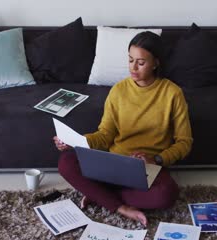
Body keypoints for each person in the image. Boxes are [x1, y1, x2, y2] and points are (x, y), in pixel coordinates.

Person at [54, 31, 193, 226]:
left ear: (156, 63)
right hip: (114, 163)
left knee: (166, 194)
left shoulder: (172, 93)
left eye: (141, 62)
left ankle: (101, 195)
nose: (133, 68)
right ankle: (120, 206)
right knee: (66, 162)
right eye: (130, 60)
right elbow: (105, 135)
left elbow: (184, 142)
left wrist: (156, 159)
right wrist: (77, 141)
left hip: (148, 167)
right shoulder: (118, 90)